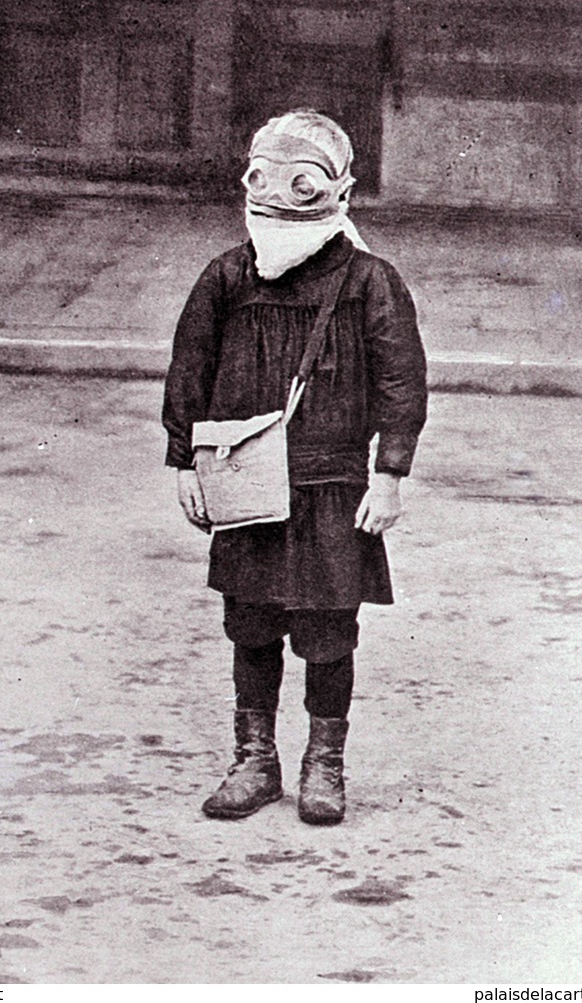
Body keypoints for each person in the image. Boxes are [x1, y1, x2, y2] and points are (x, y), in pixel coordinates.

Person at [162, 109, 427, 825]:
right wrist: (184, 461)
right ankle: (254, 760)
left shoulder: (369, 280)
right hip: (247, 485)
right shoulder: (226, 275)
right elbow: (189, 370)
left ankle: (323, 765)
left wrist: (389, 474)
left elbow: (402, 381)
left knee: (326, 632)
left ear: (335, 189)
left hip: (331, 485)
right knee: (250, 625)